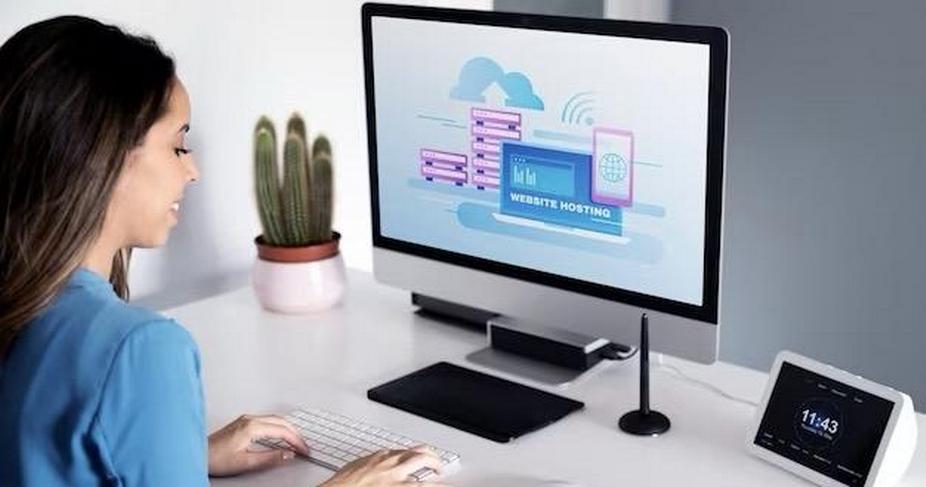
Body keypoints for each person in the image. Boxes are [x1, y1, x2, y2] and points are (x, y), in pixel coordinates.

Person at [0, 16, 444, 486]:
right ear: (101, 158)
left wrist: (178, 452)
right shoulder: (139, 349)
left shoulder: (23, 306)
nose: (192, 171)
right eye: (177, 146)